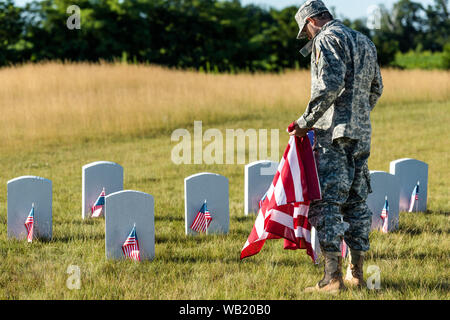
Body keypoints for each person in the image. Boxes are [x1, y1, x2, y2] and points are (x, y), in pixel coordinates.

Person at [288, 0, 384, 293]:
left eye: (305, 32)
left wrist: (305, 122)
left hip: (332, 135)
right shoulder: (364, 40)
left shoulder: (325, 39)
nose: (307, 38)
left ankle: (332, 279)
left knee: (327, 203)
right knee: (356, 203)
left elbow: (328, 86)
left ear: (311, 22)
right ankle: (357, 273)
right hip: (361, 135)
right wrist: (358, 115)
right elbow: (376, 87)